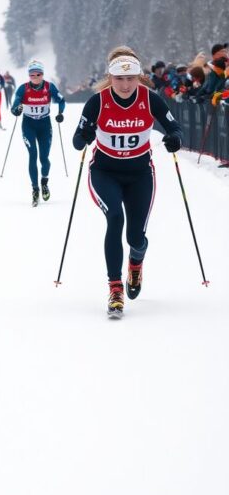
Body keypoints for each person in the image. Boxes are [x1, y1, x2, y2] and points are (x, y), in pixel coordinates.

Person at [72, 45, 182, 318]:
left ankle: (136, 261)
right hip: (105, 172)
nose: (125, 84)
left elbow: (174, 127)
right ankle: (115, 289)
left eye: (130, 78)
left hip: (140, 174)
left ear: (139, 77)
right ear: (111, 78)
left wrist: (174, 138)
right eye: (119, 79)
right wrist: (84, 136)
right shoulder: (97, 101)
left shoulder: (150, 98)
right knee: (115, 220)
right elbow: (78, 140)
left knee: (135, 237)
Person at [10, 60, 66, 206]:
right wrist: (16, 109)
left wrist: (60, 113)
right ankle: (35, 189)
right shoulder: (23, 88)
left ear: (42, 74)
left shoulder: (49, 87)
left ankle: (44, 182)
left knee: (44, 157)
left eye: (38, 74)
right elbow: (15, 104)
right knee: (32, 154)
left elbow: (61, 100)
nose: (35, 76)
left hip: (44, 125)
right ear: (29, 75)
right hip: (28, 125)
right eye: (32, 74)